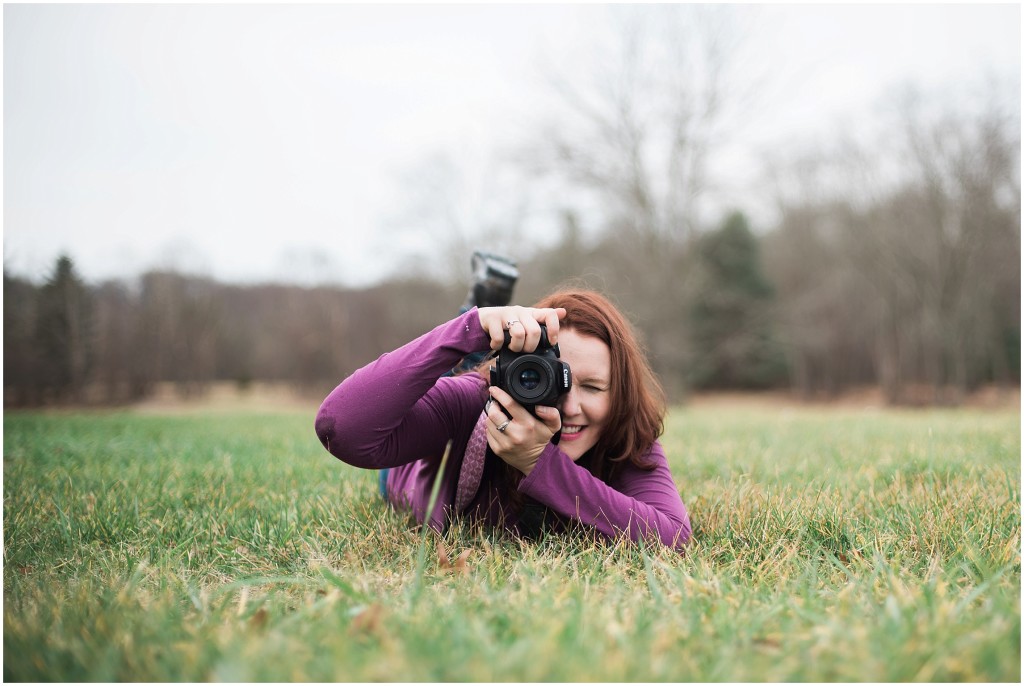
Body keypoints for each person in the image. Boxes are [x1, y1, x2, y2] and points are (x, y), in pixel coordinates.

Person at [314, 288, 691, 553]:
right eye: (550, 378)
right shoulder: (474, 403)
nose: (571, 407)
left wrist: (538, 462)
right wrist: (470, 330)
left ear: (620, 391)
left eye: (594, 387)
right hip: (407, 468)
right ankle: (474, 315)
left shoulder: (624, 432)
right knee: (461, 375)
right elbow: (341, 428)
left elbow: (673, 537)